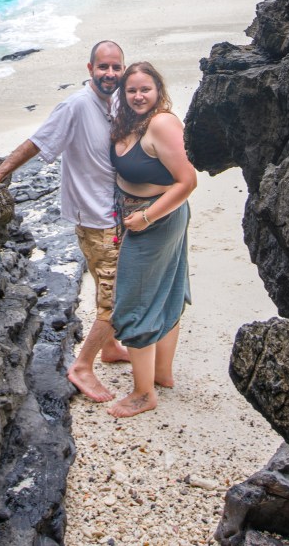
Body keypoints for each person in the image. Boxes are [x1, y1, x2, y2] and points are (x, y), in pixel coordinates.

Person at [0, 40, 129, 402]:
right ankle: (82, 367)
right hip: (96, 218)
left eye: (117, 67)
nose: (110, 74)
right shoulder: (76, 105)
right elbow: (38, 142)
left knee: (107, 286)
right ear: (90, 69)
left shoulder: (115, 101)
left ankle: (110, 347)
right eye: (104, 67)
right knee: (115, 297)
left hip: (110, 214)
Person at [107, 61, 197, 418]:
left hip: (156, 218)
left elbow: (187, 182)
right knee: (168, 288)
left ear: (158, 89)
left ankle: (143, 393)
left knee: (134, 299)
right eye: (132, 90)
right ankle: (160, 374)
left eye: (146, 89)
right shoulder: (129, 122)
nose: (139, 95)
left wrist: (146, 216)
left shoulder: (162, 122)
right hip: (144, 215)